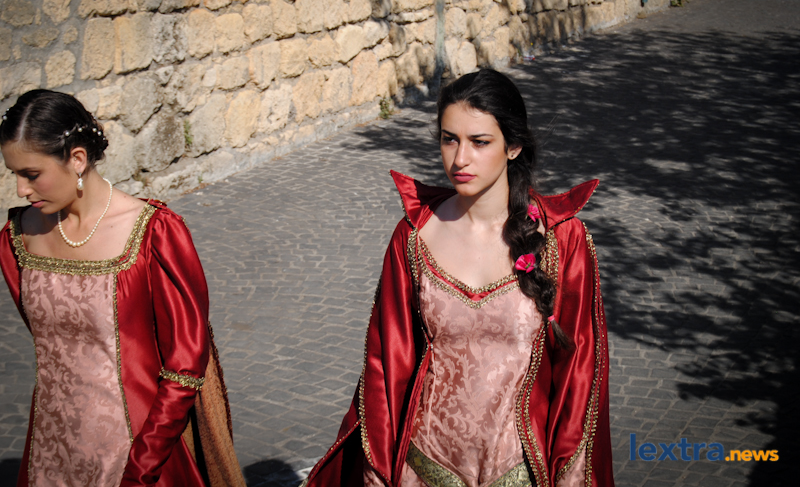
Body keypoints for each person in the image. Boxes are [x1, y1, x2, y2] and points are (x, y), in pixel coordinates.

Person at [302, 69, 614, 487]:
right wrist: (377, 475)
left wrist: (569, 478)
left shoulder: (563, 241)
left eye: (479, 142)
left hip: (521, 472)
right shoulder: (413, 237)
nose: (460, 159)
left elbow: (580, 373)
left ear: (513, 146)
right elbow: (385, 366)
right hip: (423, 467)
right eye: (449, 139)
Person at [0, 90, 246, 487]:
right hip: (50, 450)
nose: (20, 190)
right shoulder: (17, 239)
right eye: (13, 174)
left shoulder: (153, 234)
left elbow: (184, 367)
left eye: (31, 175)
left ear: (77, 159)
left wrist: (142, 466)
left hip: (136, 454)